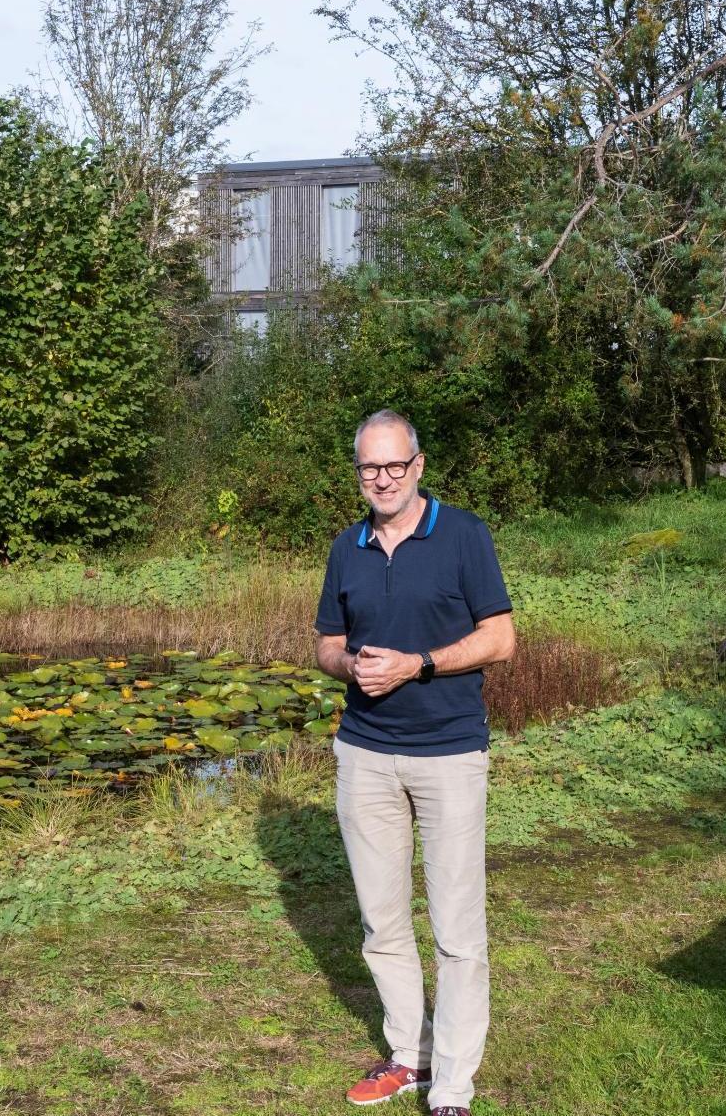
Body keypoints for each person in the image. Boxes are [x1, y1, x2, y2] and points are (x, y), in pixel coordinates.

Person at [314, 410, 516, 1116]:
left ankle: (453, 1088)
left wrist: (418, 664)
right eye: (370, 468)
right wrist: (351, 664)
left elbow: (500, 638)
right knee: (382, 921)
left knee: (458, 930)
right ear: (359, 472)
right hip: (364, 754)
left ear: (419, 465)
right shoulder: (348, 546)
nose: (383, 479)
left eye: (394, 465)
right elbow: (326, 642)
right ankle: (410, 1052)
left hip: (449, 755)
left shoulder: (464, 536)